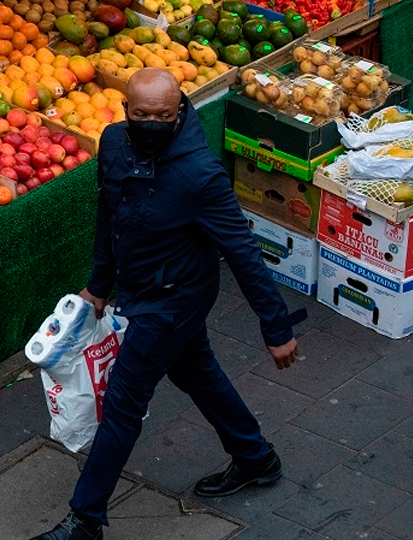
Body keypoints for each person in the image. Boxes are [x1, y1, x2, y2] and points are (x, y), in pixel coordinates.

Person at [31, 68, 307, 540]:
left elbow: (242, 251)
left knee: (122, 403)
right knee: (195, 370)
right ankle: (255, 457)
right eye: (142, 114)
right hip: (139, 291)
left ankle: (85, 520)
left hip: (177, 300)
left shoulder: (201, 174)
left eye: (163, 115)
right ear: (126, 112)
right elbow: (109, 215)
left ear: (179, 112)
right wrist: (99, 286)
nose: (152, 122)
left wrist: (276, 327)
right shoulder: (114, 143)